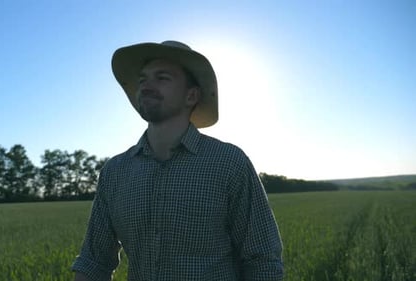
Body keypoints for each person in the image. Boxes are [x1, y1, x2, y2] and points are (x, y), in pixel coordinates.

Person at [72, 40, 284, 281]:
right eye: (143, 80)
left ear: (191, 96)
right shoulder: (115, 171)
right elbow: (94, 261)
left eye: (162, 78)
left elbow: (263, 261)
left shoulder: (228, 163)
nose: (147, 86)